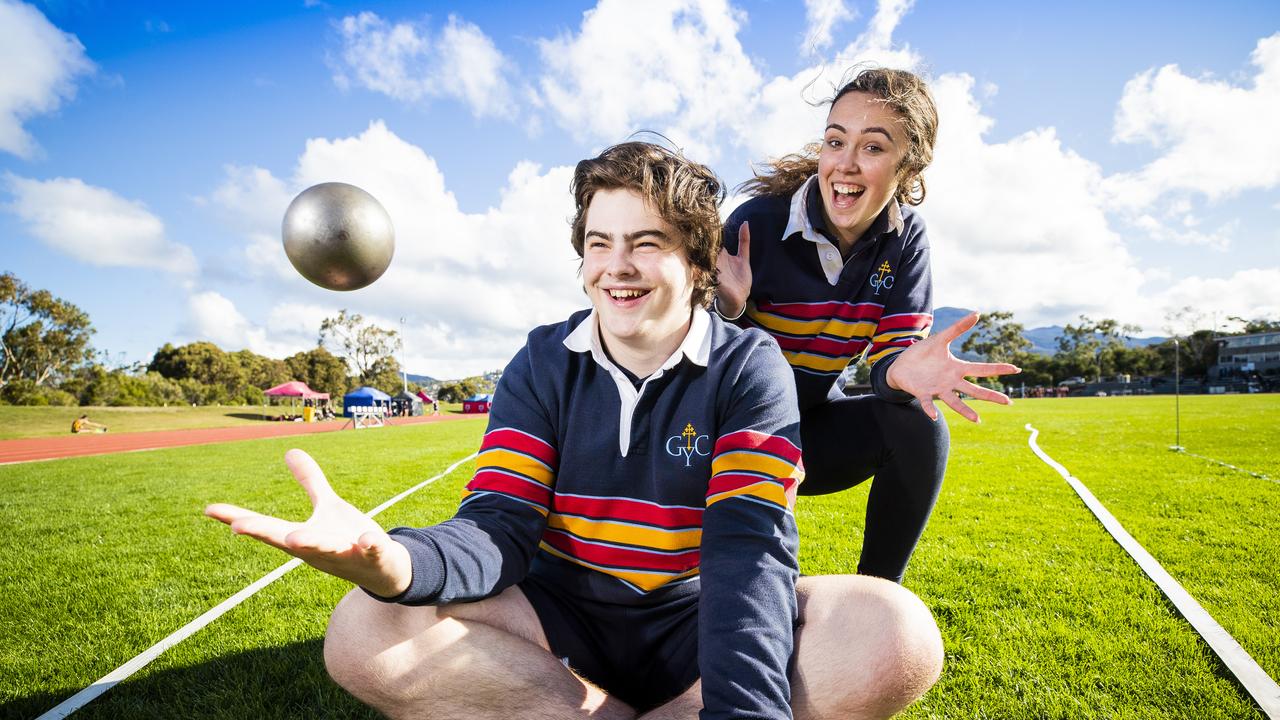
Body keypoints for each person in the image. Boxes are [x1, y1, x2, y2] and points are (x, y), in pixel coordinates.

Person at [207, 142, 943, 719]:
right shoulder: (542, 359)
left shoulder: (751, 366)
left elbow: (747, 555)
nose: (617, 268)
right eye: (599, 242)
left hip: (694, 617)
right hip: (557, 618)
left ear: (696, 262)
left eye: (646, 242)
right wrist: (394, 562)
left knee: (895, 634)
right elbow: (499, 523)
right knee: (361, 630)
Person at [716, 67, 1019, 583]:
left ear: (909, 165)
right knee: (739, 587)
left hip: (811, 431)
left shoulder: (906, 240)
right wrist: (726, 309)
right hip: (727, 435)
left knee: (920, 424)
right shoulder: (757, 223)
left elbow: (890, 359)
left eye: (873, 148)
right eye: (836, 141)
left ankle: (878, 598)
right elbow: (686, 355)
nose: (846, 164)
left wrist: (904, 372)